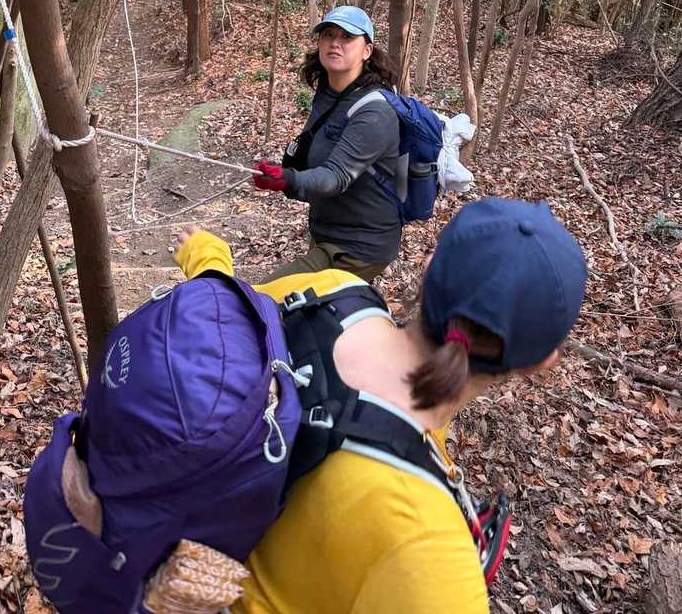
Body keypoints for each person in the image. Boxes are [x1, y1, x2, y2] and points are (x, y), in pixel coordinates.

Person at [174, 196, 587, 614]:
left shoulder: (329, 291)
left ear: (428, 268)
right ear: (540, 362)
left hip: (174, 561)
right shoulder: (431, 553)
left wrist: (208, 259)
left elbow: (228, 326)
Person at [251, 5, 402, 282]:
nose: (335, 43)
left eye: (347, 37)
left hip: (357, 248)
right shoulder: (329, 93)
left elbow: (336, 176)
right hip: (328, 232)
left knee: (265, 296)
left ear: (367, 51)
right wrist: (286, 171)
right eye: (329, 34)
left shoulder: (375, 111)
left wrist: (288, 180)